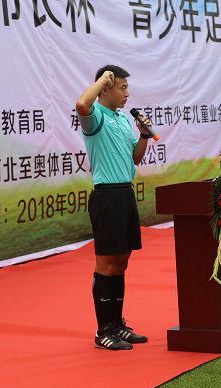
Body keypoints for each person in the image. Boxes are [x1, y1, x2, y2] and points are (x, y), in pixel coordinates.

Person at [75, 65, 154, 351]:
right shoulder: (95, 116)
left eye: (127, 87)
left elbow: (136, 158)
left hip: (125, 194)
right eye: (122, 87)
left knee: (121, 263)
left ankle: (118, 324)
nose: (127, 93)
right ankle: (103, 330)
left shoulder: (122, 119)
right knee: (106, 265)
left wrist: (143, 135)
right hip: (106, 196)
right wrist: (101, 80)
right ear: (106, 88)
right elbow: (81, 104)